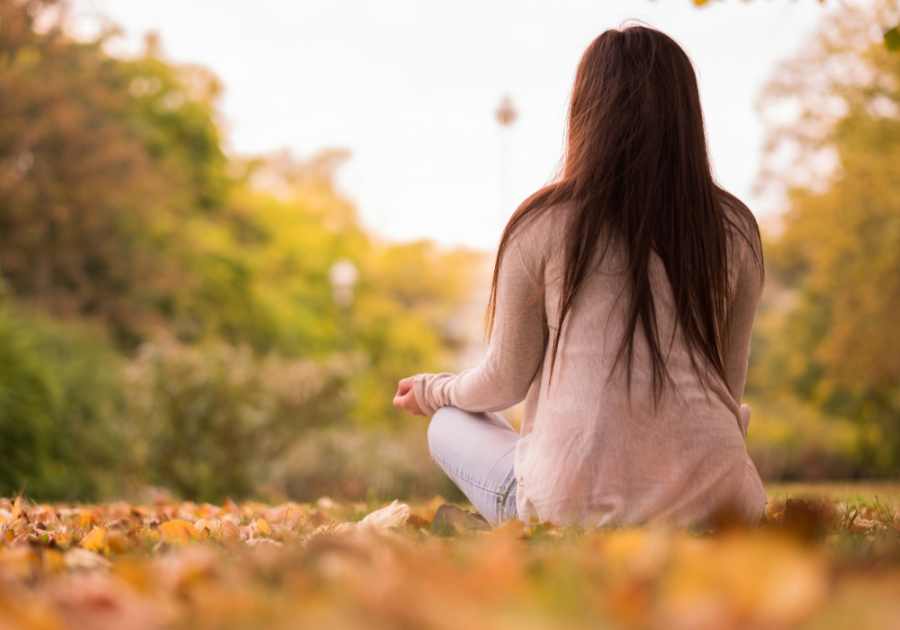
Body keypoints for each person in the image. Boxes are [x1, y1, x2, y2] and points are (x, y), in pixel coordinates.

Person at [392, 25, 767, 529]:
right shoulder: (735, 228)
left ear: (586, 111)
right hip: (723, 510)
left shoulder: (542, 223)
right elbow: (729, 384)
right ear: (687, 114)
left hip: (571, 514)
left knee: (449, 424)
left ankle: (519, 520)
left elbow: (504, 381)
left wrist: (431, 389)